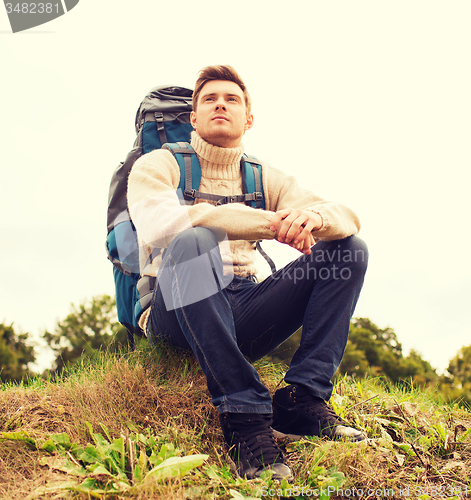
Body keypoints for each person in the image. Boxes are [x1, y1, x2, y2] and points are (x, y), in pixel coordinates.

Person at [127, 65, 368, 481]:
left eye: (232, 99)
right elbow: (159, 225)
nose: (221, 103)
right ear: (195, 118)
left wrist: (308, 218)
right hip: (177, 313)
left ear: (248, 119)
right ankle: (244, 417)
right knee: (193, 239)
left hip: (242, 306)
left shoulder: (263, 176)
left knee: (349, 250)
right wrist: (269, 224)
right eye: (209, 99)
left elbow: (344, 216)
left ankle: (302, 398)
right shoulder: (158, 165)